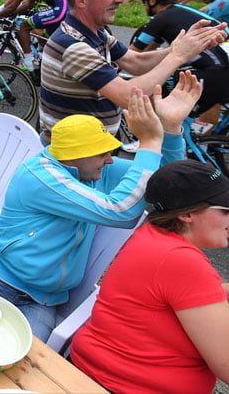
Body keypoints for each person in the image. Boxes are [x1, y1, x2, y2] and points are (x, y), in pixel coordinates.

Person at [0, 73, 201, 341]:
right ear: (76, 156)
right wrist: (149, 142)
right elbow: (119, 211)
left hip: (44, 300)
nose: (110, 160)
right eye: (103, 153)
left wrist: (169, 130)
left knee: (20, 364)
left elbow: (166, 178)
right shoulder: (39, 176)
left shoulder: (93, 170)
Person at [70, 160, 229, 393]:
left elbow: (190, 295)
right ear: (187, 214)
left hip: (98, 370)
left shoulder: (154, 235)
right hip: (122, 385)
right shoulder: (183, 262)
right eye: (225, 209)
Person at [38, 0, 226, 141]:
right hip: (73, 154)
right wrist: (178, 56)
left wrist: (182, 46)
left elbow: (135, 61)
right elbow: (128, 97)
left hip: (91, 149)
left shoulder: (94, 32)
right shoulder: (74, 45)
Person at [131, 0, 229, 114]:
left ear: (152, 0)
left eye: (144, 0)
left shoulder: (159, 19)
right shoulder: (184, 10)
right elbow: (150, 51)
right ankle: (205, 134)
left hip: (216, 71)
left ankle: (155, 130)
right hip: (221, 65)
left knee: (156, 86)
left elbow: (132, 54)